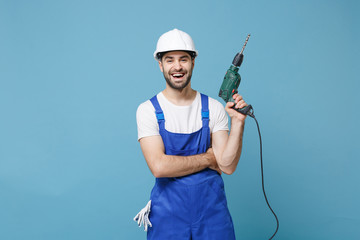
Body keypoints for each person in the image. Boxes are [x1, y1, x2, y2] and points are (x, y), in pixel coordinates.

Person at [134, 28, 248, 240]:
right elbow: (159, 167)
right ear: (160, 65)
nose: (177, 66)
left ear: (193, 62)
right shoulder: (147, 110)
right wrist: (208, 157)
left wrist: (238, 122)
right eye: (170, 60)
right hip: (167, 218)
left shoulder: (213, 108)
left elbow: (228, 165)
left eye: (183, 59)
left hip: (213, 217)